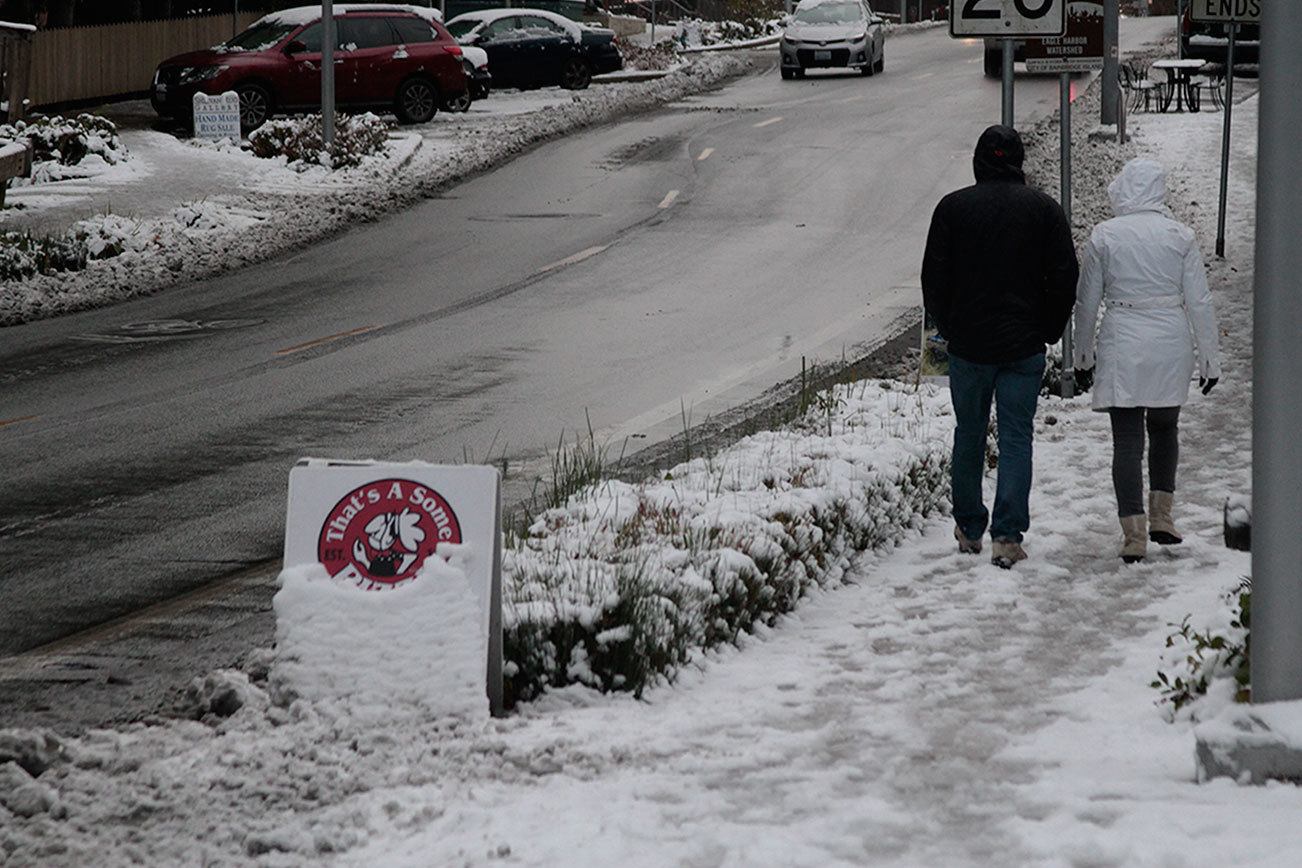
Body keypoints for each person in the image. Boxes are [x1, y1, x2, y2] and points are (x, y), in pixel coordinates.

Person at [922, 124, 1079, 569]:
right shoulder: (1044, 211)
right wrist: (1047, 329)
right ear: (1019, 162)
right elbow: (1065, 277)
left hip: (969, 348)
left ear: (977, 162)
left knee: (968, 434)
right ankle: (1007, 536)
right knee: (1015, 437)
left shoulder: (952, 209)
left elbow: (934, 280)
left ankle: (969, 526)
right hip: (1022, 345)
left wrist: (951, 328)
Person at [1072, 158, 1220, 563]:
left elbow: (1087, 303)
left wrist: (1082, 355)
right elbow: (1200, 302)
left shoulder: (1105, 236)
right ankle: (1163, 517)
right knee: (1165, 427)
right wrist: (1210, 358)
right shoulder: (1180, 236)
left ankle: (1133, 534)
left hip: (1123, 336)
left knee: (1127, 441)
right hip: (1170, 338)